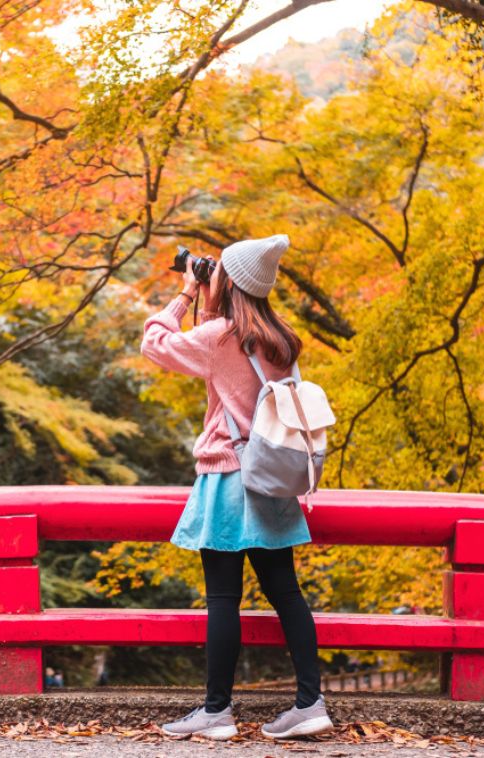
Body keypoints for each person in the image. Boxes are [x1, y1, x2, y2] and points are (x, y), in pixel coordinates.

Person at [141, 234, 333, 741]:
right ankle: (310, 703)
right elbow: (231, 367)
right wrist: (214, 300)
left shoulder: (217, 336)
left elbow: (155, 343)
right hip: (271, 479)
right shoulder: (281, 339)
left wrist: (185, 293)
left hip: (227, 477)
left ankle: (215, 711)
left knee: (223, 597)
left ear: (229, 279)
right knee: (286, 594)